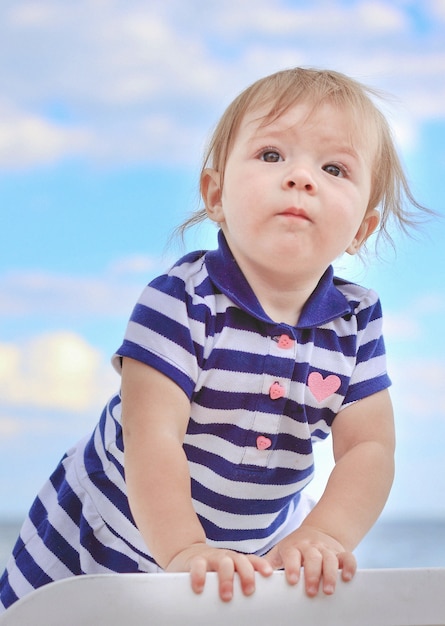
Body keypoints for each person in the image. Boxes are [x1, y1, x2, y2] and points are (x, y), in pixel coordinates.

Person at [0, 67, 428, 612]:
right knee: (41, 617)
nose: (301, 177)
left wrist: (326, 534)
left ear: (361, 230)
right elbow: (149, 434)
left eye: (334, 167)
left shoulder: (355, 321)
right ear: (216, 193)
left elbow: (369, 446)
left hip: (249, 541)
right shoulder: (182, 299)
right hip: (110, 529)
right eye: (272, 155)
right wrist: (183, 549)